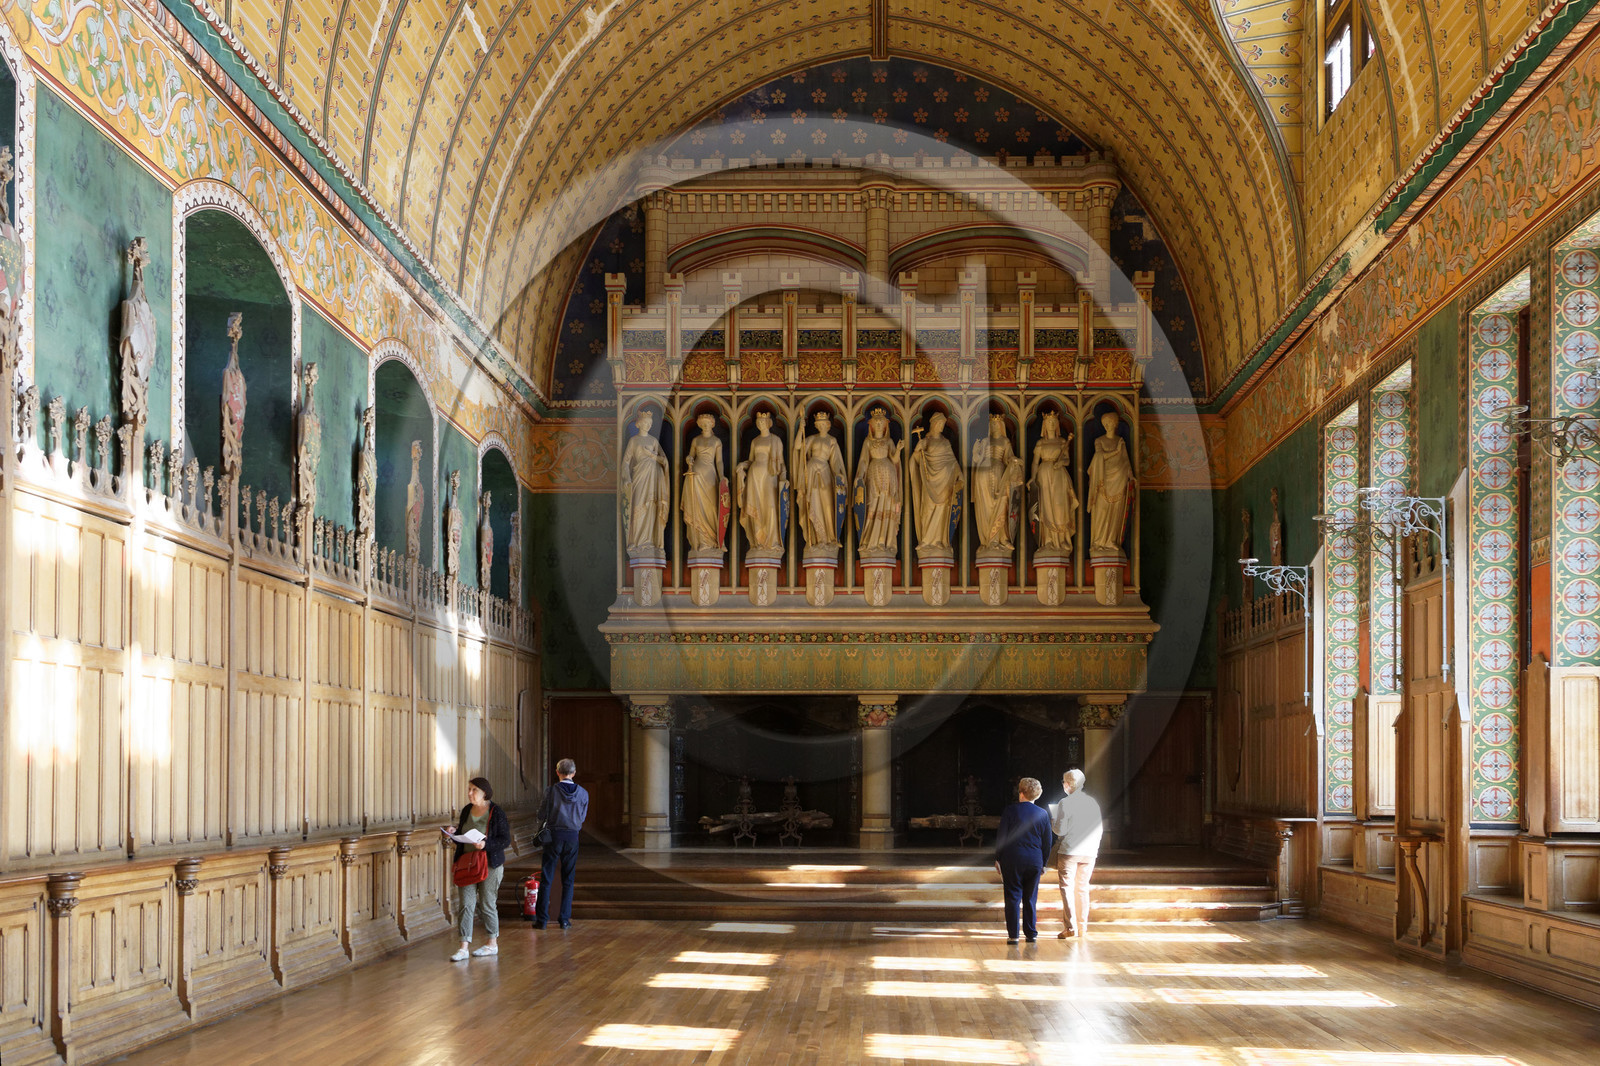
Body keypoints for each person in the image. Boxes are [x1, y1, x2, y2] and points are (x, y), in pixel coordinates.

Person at [445, 777, 511, 961]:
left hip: (490, 864)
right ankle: (463, 947)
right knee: (466, 904)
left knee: (487, 903)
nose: (469, 793)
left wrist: (485, 844)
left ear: (485, 792)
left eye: (474, 790)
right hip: (466, 863)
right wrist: (454, 833)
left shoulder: (496, 812)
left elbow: (505, 840)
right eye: (469, 789)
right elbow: (464, 833)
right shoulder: (467, 809)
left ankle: (492, 944)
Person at [994, 777, 1053, 944]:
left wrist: (998, 858)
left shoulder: (1010, 811)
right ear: (1038, 795)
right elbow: (1047, 842)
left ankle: (1013, 935)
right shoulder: (1042, 814)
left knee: (1012, 896)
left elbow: (1002, 837)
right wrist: (1044, 863)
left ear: (1020, 793)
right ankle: (1031, 933)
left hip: (1012, 859)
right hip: (1034, 860)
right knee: (1030, 898)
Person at [534, 758, 590, 930]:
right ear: (573, 773)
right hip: (572, 837)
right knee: (568, 879)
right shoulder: (583, 793)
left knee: (546, 878)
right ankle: (564, 919)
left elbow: (542, 814)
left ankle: (542, 920)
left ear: (557, 772)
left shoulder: (550, 791)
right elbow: (582, 817)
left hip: (553, 837)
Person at [1051, 768, 1104, 938]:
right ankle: (1082, 927)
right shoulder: (1092, 803)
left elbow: (1060, 831)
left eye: (1064, 782)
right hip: (1089, 852)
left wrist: (1053, 821)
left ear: (1068, 784)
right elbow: (1099, 829)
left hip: (1070, 851)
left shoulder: (1065, 803)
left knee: (1067, 888)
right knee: (1082, 888)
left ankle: (1070, 926)